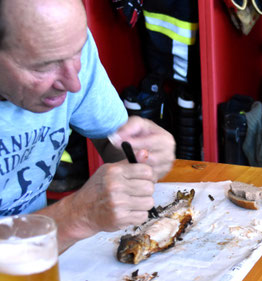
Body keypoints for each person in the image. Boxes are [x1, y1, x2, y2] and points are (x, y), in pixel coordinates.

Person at [0, 0, 176, 252]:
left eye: (78, 53)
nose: (74, 84)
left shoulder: (62, 43)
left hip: (42, 261)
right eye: (43, 66)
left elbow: (112, 142)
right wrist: (75, 216)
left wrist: (143, 153)